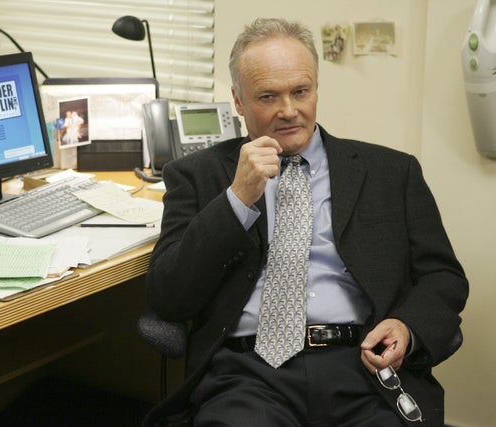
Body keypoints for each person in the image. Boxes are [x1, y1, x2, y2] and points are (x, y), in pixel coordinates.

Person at [144, 18, 468, 427]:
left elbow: (443, 277)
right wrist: (236, 199)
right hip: (248, 374)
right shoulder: (197, 175)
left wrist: (407, 326)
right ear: (238, 101)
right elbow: (168, 297)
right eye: (267, 96)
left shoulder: (390, 171)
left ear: (316, 87)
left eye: (301, 91)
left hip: (363, 367)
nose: (288, 111)